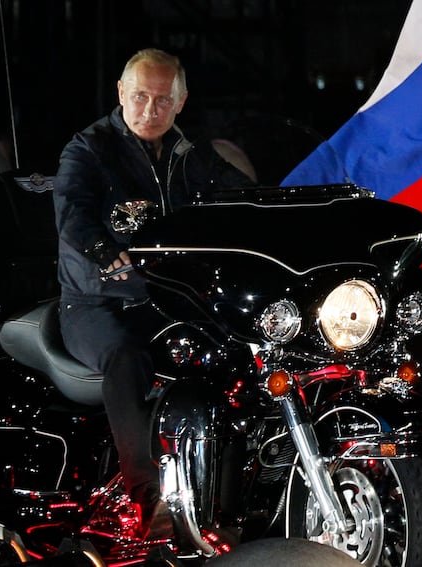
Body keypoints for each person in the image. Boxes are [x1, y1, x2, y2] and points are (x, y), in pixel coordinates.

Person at [54, 47, 254, 537]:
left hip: (167, 299)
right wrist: (103, 248)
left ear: (180, 103)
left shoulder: (191, 155)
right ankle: (147, 497)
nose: (150, 109)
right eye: (140, 96)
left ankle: (239, 482)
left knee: (240, 347)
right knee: (127, 356)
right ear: (122, 93)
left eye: (163, 100)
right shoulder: (89, 149)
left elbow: (242, 196)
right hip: (98, 300)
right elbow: (73, 210)